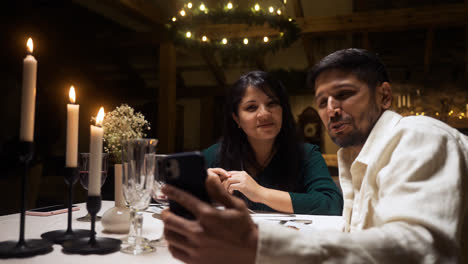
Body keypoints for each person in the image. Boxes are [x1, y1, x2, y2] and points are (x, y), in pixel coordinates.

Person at [161, 49, 468, 263]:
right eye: (322, 101)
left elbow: (417, 251)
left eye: (345, 95)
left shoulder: (418, 134)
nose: (331, 109)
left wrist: (262, 243)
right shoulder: (355, 156)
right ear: (236, 119)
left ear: (384, 95)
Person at [203, 71, 343, 215]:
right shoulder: (214, 155)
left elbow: (331, 204)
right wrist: (199, 187)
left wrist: (260, 193)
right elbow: (180, 200)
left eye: (272, 103)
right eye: (251, 107)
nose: (264, 114)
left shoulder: (307, 154)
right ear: (237, 118)